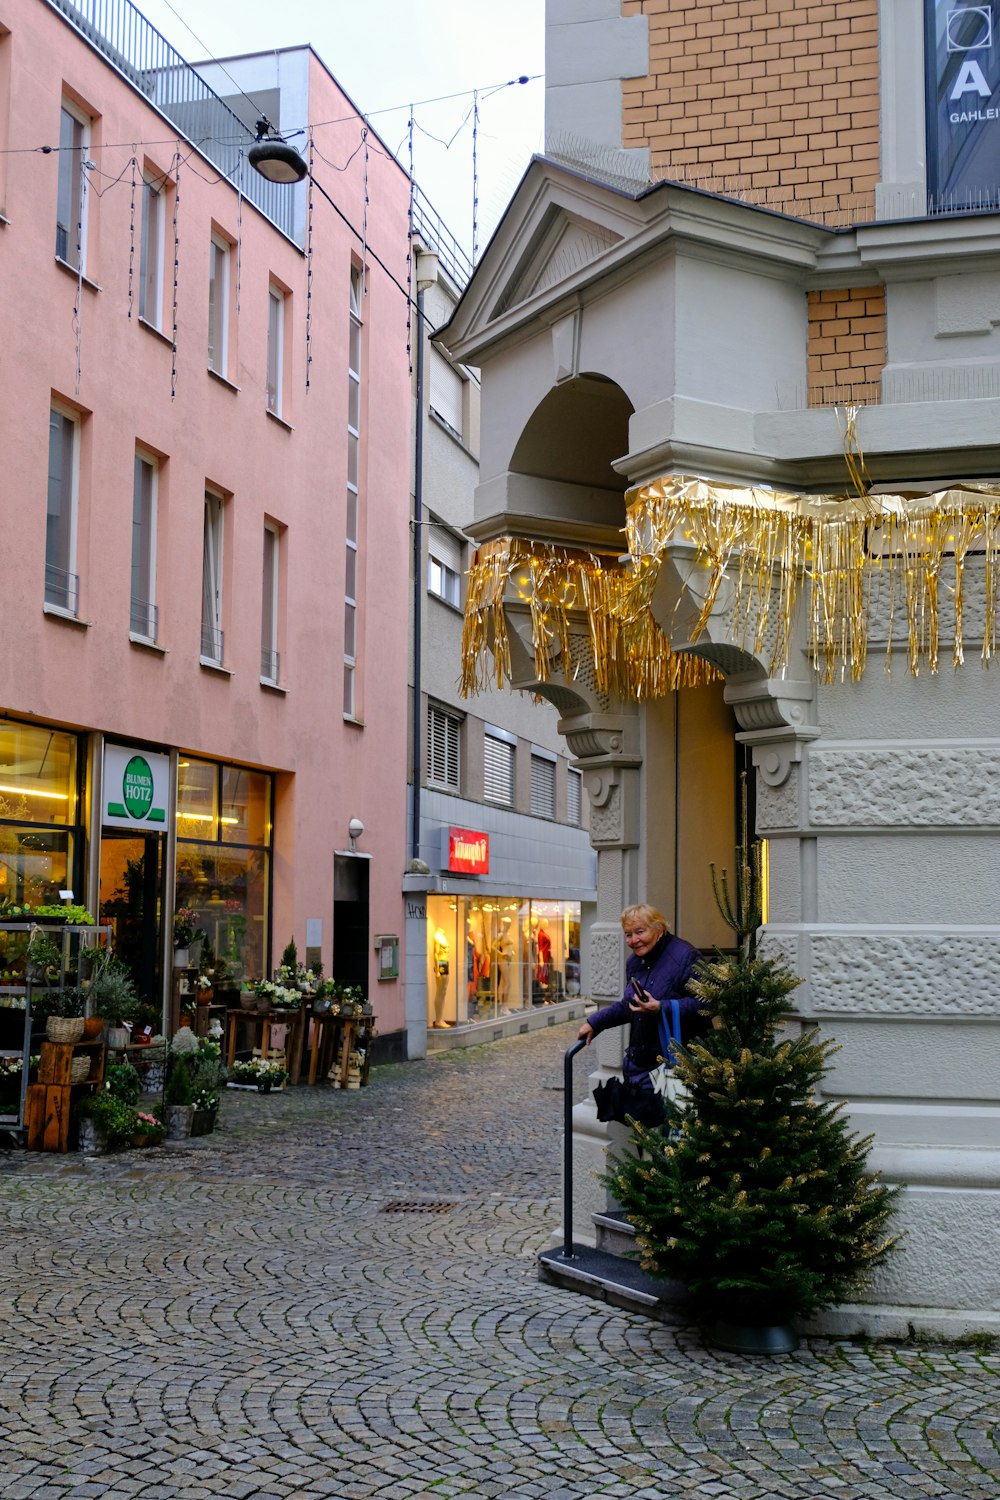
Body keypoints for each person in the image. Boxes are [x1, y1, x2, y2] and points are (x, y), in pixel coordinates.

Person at [577, 903, 703, 1124]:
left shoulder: (686, 956)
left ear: (659, 928)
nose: (633, 940)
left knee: (673, 1132)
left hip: (671, 1064)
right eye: (628, 934)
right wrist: (595, 1022)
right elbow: (629, 1004)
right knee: (644, 1131)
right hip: (640, 1065)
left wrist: (661, 1007)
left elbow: (706, 1006)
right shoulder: (635, 962)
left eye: (640, 932)